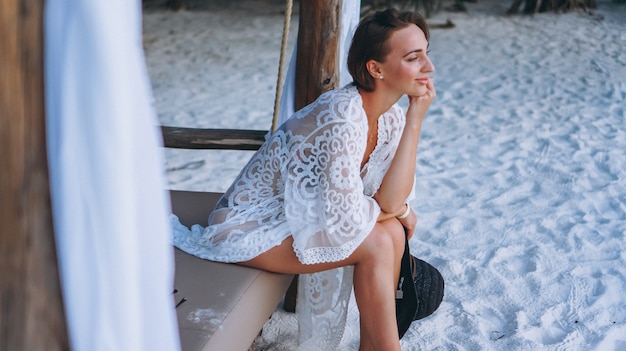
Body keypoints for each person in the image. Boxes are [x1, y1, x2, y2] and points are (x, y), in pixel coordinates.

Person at [173, 8, 435, 351]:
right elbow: (348, 221)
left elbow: (388, 203)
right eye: (414, 58)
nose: (428, 67)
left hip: (292, 217)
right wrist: (398, 212)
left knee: (390, 231)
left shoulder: (391, 118)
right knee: (379, 241)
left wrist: (416, 117)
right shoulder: (343, 116)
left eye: (426, 53)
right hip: (247, 226)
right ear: (376, 68)